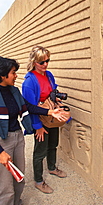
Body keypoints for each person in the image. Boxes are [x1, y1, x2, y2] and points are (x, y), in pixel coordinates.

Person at [0, 56, 67, 205]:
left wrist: (49, 111)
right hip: (0, 141)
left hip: (17, 137)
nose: (15, 75)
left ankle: (16, 204)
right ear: (2, 75)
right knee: (4, 186)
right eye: (12, 72)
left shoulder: (13, 91)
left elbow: (27, 107)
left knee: (19, 177)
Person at [22, 46, 68, 194]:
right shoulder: (29, 81)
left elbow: (52, 90)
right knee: (40, 151)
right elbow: (30, 106)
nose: (45, 64)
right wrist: (37, 126)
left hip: (52, 117)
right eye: (42, 62)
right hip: (40, 119)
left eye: (47, 61)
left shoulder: (49, 75)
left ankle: (52, 167)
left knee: (53, 144)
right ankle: (39, 181)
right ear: (34, 62)